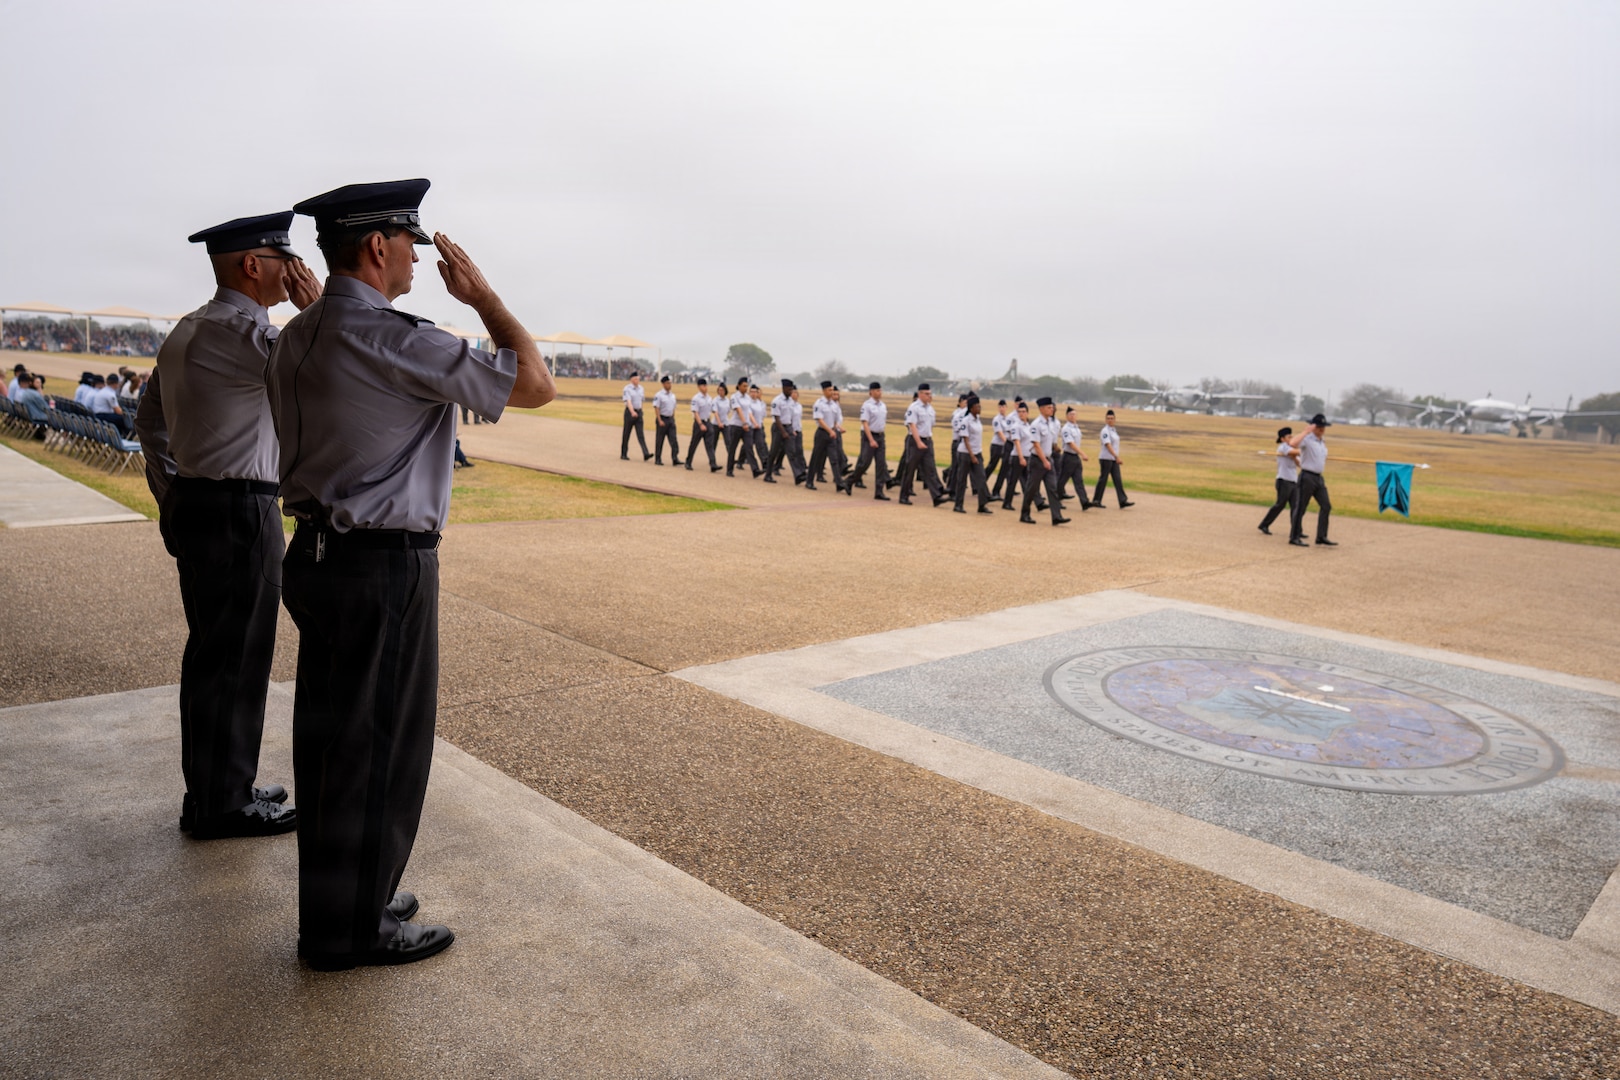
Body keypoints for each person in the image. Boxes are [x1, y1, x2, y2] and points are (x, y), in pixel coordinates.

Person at [272, 179, 554, 970]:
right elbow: (534, 382)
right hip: (381, 565)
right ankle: (352, 930)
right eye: (412, 247)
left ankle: (346, 899)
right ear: (377, 247)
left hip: (318, 553)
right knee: (383, 746)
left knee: (331, 741)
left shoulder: (300, 334)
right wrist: (486, 298)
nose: (419, 262)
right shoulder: (400, 339)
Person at [133, 211, 318, 842]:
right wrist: (316, 307)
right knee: (238, 658)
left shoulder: (187, 331)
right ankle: (224, 802)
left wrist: (169, 491)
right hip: (241, 508)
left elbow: (149, 418)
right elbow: (324, 367)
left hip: (200, 500)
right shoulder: (249, 336)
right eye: (282, 260)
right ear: (252, 265)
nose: (291, 271)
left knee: (212, 654)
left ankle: (215, 788)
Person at [1286, 414, 1335, 546]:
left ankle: (1321, 536)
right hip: (1307, 476)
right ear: (1313, 427)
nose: (1321, 429)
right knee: (1301, 507)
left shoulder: (1321, 441)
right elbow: (1292, 443)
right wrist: (1306, 431)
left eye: (1323, 427)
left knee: (1326, 506)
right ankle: (1294, 536)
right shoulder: (1307, 439)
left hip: (1318, 478)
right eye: (1318, 427)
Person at [1020, 397, 1070, 525]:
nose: (1052, 409)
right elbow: (1036, 445)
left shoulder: (1050, 423)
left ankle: (1056, 516)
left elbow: (1050, 442)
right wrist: (1044, 461)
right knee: (1031, 489)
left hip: (1048, 459)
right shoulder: (1036, 424)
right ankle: (1024, 514)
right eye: (1049, 407)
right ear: (1041, 409)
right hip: (1038, 461)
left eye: (1052, 407)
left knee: (1052, 488)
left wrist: (1052, 454)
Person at [900, 383, 946, 506]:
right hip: (915, 441)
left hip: (927, 440)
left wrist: (927, 440)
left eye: (930, 394)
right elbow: (912, 425)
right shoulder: (914, 407)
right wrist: (918, 441)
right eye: (926, 394)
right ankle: (904, 496)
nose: (929, 396)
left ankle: (936, 496)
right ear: (920, 394)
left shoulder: (930, 409)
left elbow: (931, 425)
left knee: (930, 469)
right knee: (910, 469)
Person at [951, 395, 994, 514]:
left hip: (977, 452)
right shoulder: (966, 421)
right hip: (965, 453)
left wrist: (977, 453)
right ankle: (958, 505)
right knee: (962, 479)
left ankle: (982, 505)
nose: (979, 408)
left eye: (980, 406)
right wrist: (972, 456)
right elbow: (965, 439)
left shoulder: (977, 419)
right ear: (971, 408)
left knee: (981, 478)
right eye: (977, 406)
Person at [849, 382, 891, 500]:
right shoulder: (867, 405)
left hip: (880, 436)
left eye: (881, 390)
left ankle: (879, 491)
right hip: (869, 436)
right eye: (877, 390)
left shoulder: (883, 405)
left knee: (881, 464)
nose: (880, 393)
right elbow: (865, 423)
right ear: (871, 392)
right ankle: (849, 482)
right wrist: (871, 440)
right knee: (864, 463)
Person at [1258, 426, 1301, 536]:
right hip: (1283, 480)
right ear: (1282, 439)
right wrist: (1303, 451)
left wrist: (1295, 456)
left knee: (1295, 506)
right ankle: (1264, 524)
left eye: (1292, 436)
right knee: (1280, 504)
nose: (1291, 438)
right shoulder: (1282, 447)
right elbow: (1292, 452)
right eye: (1288, 436)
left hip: (1293, 480)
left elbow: (1300, 464)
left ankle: (1296, 530)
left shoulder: (1292, 449)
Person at [806, 381, 848, 493]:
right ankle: (809, 481)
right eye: (829, 390)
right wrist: (830, 430)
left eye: (832, 390)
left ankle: (839, 483)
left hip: (831, 434)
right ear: (824, 391)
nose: (832, 392)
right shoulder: (819, 404)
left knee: (834, 459)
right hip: (822, 434)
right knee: (816, 458)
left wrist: (837, 428)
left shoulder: (834, 405)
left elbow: (835, 421)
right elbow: (819, 419)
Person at [1091, 409, 1134, 509]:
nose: (1110, 420)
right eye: (1108, 418)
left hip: (1113, 459)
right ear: (1105, 420)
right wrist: (1116, 456)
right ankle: (1096, 500)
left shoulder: (1113, 430)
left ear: (1115, 419)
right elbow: (1108, 445)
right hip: (1106, 458)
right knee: (1103, 479)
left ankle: (1122, 500)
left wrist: (1115, 457)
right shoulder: (1105, 431)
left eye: (1112, 418)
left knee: (1117, 479)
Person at [1054, 406, 1094, 510]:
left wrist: (1079, 455)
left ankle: (1084, 501)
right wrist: (1082, 454)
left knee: (1079, 481)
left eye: (1074, 414)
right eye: (1071, 414)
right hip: (1068, 457)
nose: (1073, 416)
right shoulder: (1066, 429)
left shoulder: (1076, 428)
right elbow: (1071, 444)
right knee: (1062, 480)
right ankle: (1055, 501)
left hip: (1075, 458)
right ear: (1067, 416)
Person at [1000, 400, 1033, 511]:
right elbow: (1017, 443)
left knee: (1028, 481)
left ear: (1027, 413)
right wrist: (1021, 457)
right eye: (1019, 412)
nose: (1021, 414)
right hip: (1018, 456)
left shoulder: (1029, 426)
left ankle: (1032, 502)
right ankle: (1007, 502)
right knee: (1013, 481)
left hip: (1028, 456)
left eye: (1024, 411)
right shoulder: (1015, 426)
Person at [684, 377, 718, 471]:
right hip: (699, 423)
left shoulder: (709, 398)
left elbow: (712, 410)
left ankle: (713, 464)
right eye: (703, 385)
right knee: (694, 443)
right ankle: (688, 462)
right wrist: (700, 424)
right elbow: (695, 412)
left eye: (706, 385)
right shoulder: (696, 398)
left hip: (708, 422)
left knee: (710, 445)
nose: (705, 387)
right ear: (699, 387)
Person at [764, 378, 793, 482]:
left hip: (788, 427)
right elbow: (776, 418)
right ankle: (768, 474)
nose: (791, 392)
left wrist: (790, 429)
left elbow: (790, 416)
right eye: (789, 390)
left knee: (792, 450)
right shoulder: (777, 401)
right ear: (784, 388)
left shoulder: (791, 401)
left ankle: (799, 474)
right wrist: (783, 432)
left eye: (792, 390)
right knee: (774, 452)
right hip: (778, 428)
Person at [620, 370, 650, 461]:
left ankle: (646, 453)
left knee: (641, 434)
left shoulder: (641, 388)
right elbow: (628, 401)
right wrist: (632, 412)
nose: (638, 380)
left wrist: (641, 411)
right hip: (630, 413)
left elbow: (641, 401)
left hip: (639, 412)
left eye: (638, 379)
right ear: (632, 379)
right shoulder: (627, 389)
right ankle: (624, 453)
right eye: (636, 379)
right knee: (626, 433)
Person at [651, 374, 680, 465]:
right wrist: (659, 420)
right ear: (663, 384)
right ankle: (658, 458)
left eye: (670, 383)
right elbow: (656, 408)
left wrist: (673, 418)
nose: (669, 385)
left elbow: (673, 408)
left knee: (674, 440)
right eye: (668, 383)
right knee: (660, 440)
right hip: (662, 418)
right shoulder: (659, 395)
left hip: (670, 419)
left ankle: (675, 458)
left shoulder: (672, 395)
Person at [722, 377, 749, 476]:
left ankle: (755, 469)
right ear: (738, 386)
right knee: (732, 448)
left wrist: (749, 423)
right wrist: (744, 423)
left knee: (748, 446)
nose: (746, 388)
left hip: (745, 426)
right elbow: (738, 410)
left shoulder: (748, 398)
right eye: (744, 386)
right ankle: (729, 470)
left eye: (747, 386)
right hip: (735, 425)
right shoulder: (734, 397)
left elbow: (748, 412)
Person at [986, 399, 1011, 495]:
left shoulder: (1008, 419)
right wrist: (1007, 443)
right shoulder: (997, 419)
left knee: (1004, 469)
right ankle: (980, 484)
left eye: (1003, 407)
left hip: (1005, 446)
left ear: (1006, 408)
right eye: (1000, 407)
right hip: (997, 445)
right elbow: (1000, 433)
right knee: (992, 466)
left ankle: (997, 490)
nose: (1002, 409)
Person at [747, 382, 769, 476]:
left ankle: (765, 464)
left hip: (758, 428)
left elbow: (763, 415)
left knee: (761, 445)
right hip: (750, 427)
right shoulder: (747, 402)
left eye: (755, 392)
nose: (753, 394)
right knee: (748, 447)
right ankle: (753, 467)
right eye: (751, 392)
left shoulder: (760, 403)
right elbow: (749, 414)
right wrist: (754, 423)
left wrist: (759, 424)